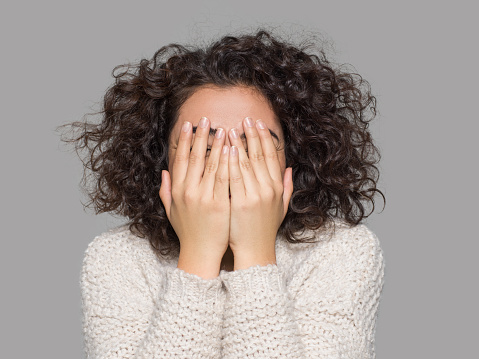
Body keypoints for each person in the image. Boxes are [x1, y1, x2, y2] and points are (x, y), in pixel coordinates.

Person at [62, 29, 386, 358]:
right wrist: (199, 254)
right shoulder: (118, 260)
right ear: (163, 157)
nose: (228, 162)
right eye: (203, 145)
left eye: (253, 144)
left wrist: (255, 253)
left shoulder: (342, 253)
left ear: (293, 155)